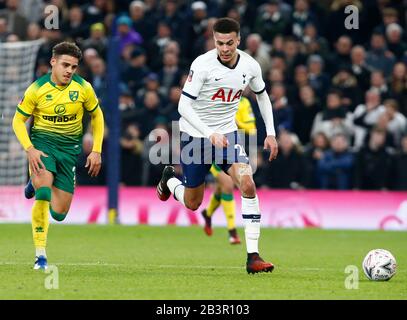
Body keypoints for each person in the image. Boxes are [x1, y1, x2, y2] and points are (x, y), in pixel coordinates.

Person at [156, 18, 278, 274]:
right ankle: (169, 181)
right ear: (214, 41)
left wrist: (271, 133)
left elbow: (262, 95)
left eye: (230, 43)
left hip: (227, 136)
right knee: (192, 203)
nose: (224, 48)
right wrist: (208, 132)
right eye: (219, 43)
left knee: (247, 182)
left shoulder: (250, 65)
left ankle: (253, 256)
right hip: (195, 137)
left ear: (239, 40)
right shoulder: (202, 65)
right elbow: (183, 106)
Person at [12, 42, 104, 270]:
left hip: (69, 152)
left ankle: (33, 183)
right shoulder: (37, 89)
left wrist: (96, 149)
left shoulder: (83, 88)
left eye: (73, 67)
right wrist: (30, 148)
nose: (69, 71)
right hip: (42, 147)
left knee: (60, 213)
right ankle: (40, 255)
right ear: (53, 62)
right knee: (44, 191)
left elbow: (97, 116)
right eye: (65, 65)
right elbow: (17, 120)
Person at [201, 95, 256, 245]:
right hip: (211, 148)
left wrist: (237, 124)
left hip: (233, 149)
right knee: (227, 185)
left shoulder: (244, 103)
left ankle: (208, 212)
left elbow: (252, 129)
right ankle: (232, 231)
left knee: (222, 187)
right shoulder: (215, 97)